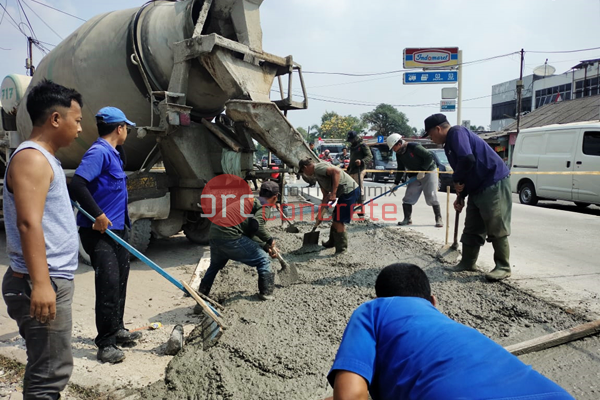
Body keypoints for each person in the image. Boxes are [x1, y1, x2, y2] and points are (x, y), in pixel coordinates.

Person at [327, 263, 575, 400]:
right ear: (433, 302)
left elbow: (350, 396)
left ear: (379, 297)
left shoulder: (374, 310)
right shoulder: (459, 330)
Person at [2, 79, 82, 398]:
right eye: (76, 120)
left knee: (51, 368)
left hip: (48, 278)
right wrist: (42, 283)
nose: (79, 129)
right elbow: (28, 224)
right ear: (55, 119)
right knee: (49, 375)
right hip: (39, 281)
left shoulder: (44, 158)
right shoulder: (33, 159)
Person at [69, 107, 141, 364]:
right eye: (127, 128)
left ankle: (117, 327)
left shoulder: (113, 153)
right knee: (109, 284)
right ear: (119, 128)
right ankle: (105, 344)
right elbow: (77, 184)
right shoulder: (98, 152)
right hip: (99, 233)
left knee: (120, 279)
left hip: (119, 230)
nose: (128, 133)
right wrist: (98, 215)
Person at [424, 114, 512, 281]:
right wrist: (461, 196)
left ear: (438, 129)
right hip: (477, 187)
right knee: (472, 226)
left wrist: (456, 178)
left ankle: (503, 266)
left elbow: (467, 159)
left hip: (493, 181)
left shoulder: (457, 133)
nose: (431, 138)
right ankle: (467, 262)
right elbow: (465, 171)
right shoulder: (448, 145)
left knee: (496, 224)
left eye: (430, 134)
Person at [195, 181, 279, 306]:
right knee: (263, 259)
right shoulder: (264, 206)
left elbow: (250, 233)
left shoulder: (249, 202)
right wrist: (270, 240)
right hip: (229, 235)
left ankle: (200, 300)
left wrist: (265, 246)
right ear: (275, 197)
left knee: (214, 267)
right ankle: (266, 293)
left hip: (215, 233)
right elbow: (259, 226)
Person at [298, 158, 359, 254]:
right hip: (345, 193)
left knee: (339, 221)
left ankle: (342, 249)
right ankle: (332, 242)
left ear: (305, 167)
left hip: (349, 191)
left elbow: (336, 172)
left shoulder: (318, 168)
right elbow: (325, 196)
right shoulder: (318, 175)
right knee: (336, 217)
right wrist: (320, 215)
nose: (304, 174)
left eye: (303, 171)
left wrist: (334, 193)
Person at [386, 133, 443, 228]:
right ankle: (407, 219)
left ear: (398, 144)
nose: (393, 150)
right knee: (408, 197)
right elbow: (400, 168)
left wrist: (423, 170)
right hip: (415, 175)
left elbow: (429, 157)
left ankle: (438, 218)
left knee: (431, 195)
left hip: (429, 172)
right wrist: (395, 183)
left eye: (393, 147)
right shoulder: (399, 154)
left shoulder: (414, 147)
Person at [346, 130, 372, 218]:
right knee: (350, 189)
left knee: (359, 189)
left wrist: (361, 161)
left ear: (356, 138)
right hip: (352, 170)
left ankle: (361, 209)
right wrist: (349, 167)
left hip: (360, 169)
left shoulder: (362, 146)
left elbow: (369, 156)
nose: (351, 141)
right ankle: (351, 207)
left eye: (352, 139)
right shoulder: (352, 147)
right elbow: (352, 158)